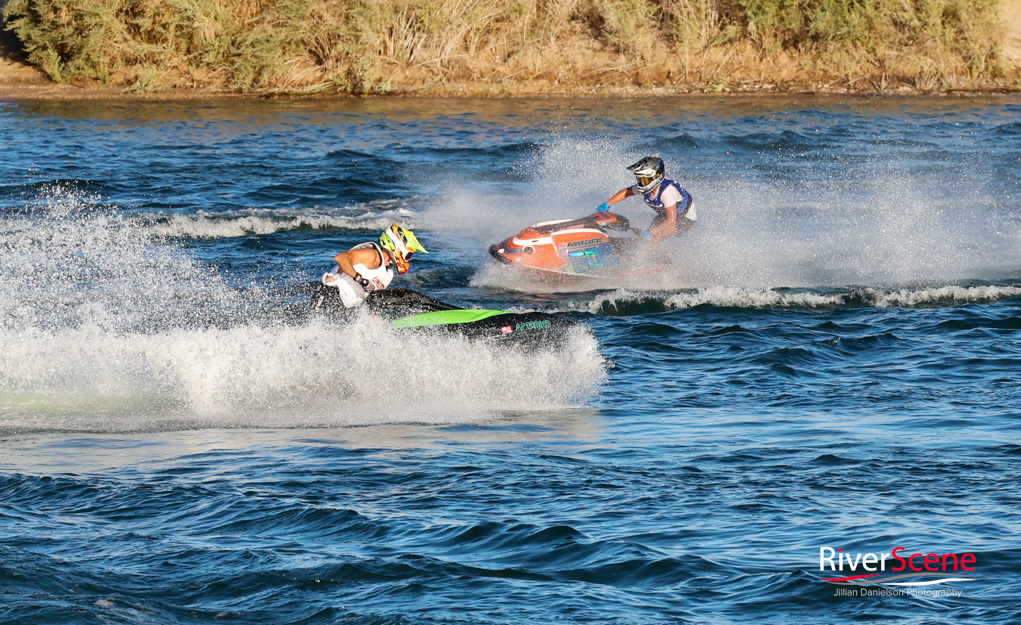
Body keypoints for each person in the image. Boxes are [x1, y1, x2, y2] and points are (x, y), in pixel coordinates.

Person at [320, 224, 428, 308]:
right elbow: (341, 258)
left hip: (347, 307)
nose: (408, 259)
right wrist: (360, 279)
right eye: (408, 255)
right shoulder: (373, 255)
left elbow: (370, 297)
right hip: (331, 296)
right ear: (397, 246)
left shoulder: (388, 274)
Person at [596, 156, 696, 242]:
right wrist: (608, 203)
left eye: (643, 179)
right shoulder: (647, 185)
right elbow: (627, 192)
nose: (640, 183)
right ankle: (654, 252)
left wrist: (651, 232)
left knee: (655, 238)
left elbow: (671, 221)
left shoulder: (667, 193)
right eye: (639, 179)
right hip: (666, 214)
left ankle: (662, 262)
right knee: (645, 239)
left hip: (685, 218)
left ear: (655, 177)